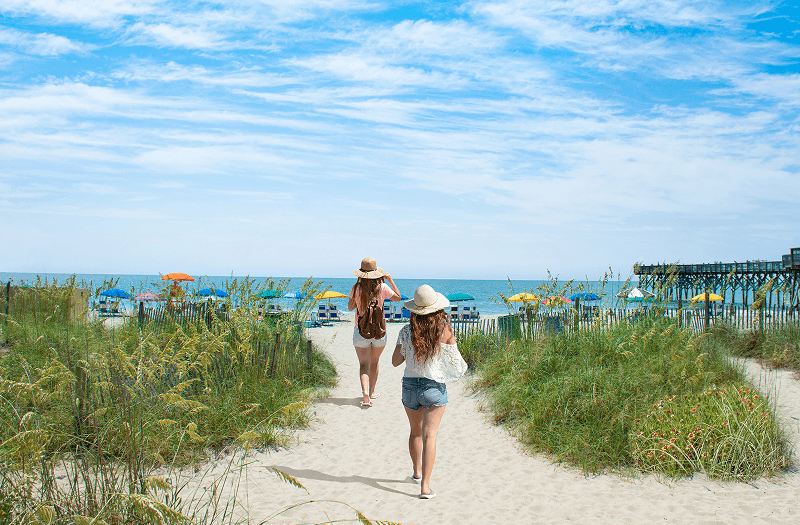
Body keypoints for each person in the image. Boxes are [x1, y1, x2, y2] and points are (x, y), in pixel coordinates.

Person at [392, 284, 464, 500]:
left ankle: (416, 473)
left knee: (415, 432)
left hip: (410, 387)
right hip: (433, 387)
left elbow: (396, 362)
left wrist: (408, 349)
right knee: (429, 436)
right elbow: (456, 362)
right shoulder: (445, 330)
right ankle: (425, 487)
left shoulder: (406, 331)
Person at [348, 257, 402, 407]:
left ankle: (365, 393)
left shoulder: (356, 288)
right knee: (375, 362)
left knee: (363, 364)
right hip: (379, 332)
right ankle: (372, 392)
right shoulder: (383, 287)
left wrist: (355, 292)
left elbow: (350, 307)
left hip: (360, 332)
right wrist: (391, 280)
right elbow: (398, 298)